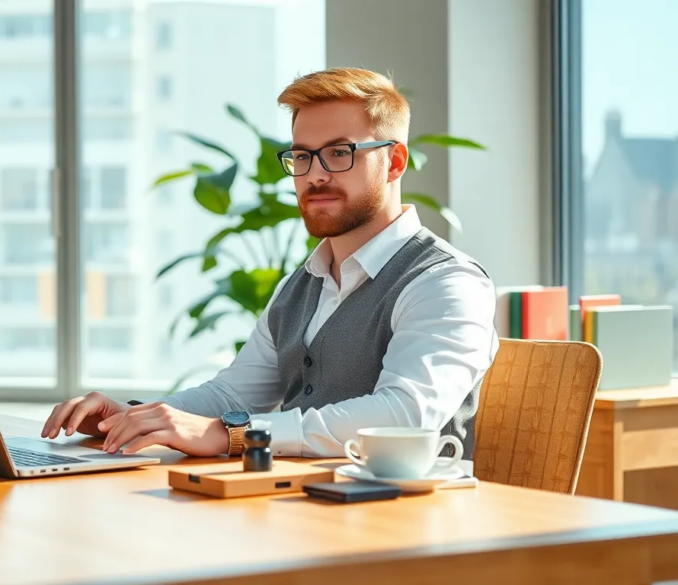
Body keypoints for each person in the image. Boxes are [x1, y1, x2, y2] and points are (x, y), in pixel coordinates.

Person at [41, 67, 498, 460]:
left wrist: (234, 435)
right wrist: (135, 418)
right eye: (302, 156)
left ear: (395, 162)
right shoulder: (301, 285)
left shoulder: (445, 281)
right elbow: (233, 394)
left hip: (405, 528)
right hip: (302, 508)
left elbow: (404, 415)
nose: (315, 174)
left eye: (339, 153)